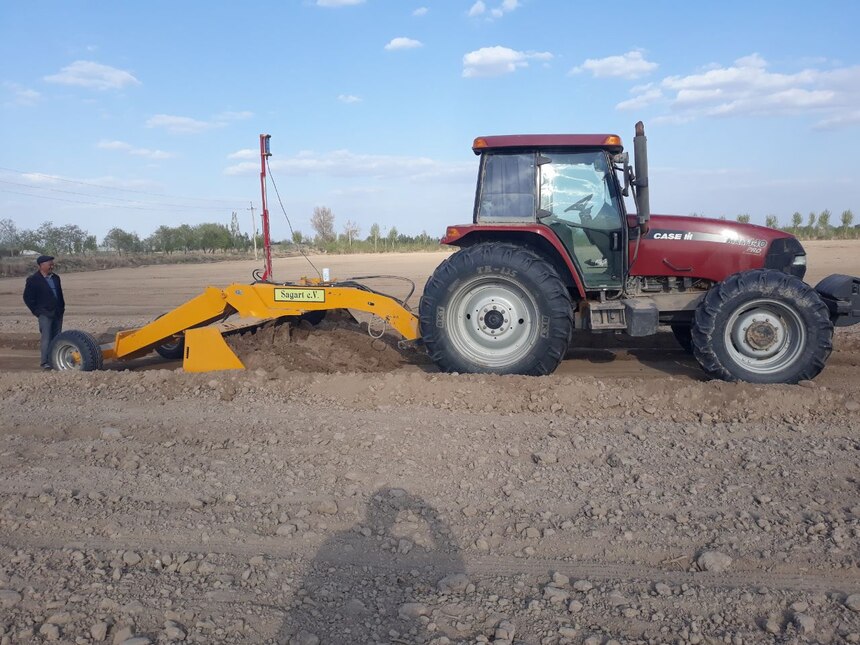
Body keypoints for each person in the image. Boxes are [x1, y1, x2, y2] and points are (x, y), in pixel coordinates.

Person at [23, 255, 65, 369]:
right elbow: (27, 298)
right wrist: (37, 311)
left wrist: (62, 308)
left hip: (57, 312)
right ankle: (45, 362)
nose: (52, 266)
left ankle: (55, 360)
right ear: (41, 265)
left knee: (57, 337)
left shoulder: (56, 278)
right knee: (46, 338)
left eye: (52, 264)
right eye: (49, 264)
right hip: (44, 314)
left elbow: (59, 295)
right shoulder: (33, 280)